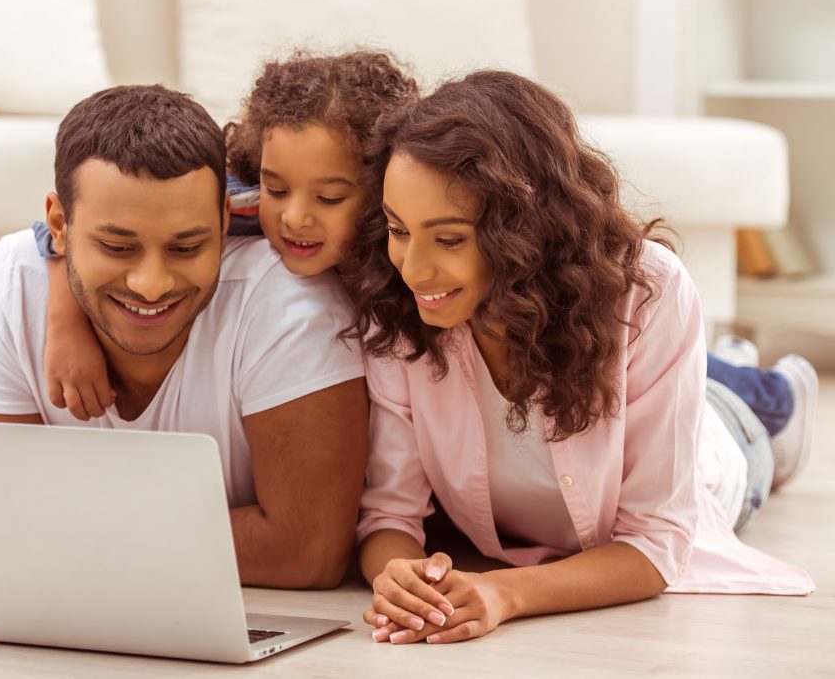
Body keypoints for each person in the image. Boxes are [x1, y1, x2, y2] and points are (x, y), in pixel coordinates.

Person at [342, 70, 816, 645]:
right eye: (398, 229)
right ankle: (731, 364)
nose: (412, 270)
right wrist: (394, 573)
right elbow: (389, 514)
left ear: (524, 229)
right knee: (708, 370)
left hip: (725, 455)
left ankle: (780, 392)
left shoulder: (650, 291)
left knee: (747, 416)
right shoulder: (401, 308)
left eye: (449, 239)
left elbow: (655, 541)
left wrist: (506, 592)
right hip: (636, 377)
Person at [0, 84, 369, 589]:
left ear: (223, 220)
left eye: (187, 246)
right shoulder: (12, 280)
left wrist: (57, 529)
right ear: (58, 225)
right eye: (116, 246)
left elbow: (305, 553)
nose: (150, 284)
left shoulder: (290, 298)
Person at [35, 50, 419, 421]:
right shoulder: (239, 204)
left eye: (329, 198)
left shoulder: (411, 237)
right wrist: (66, 324)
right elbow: (59, 229)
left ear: (380, 189)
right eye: (277, 190)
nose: (294, 218)